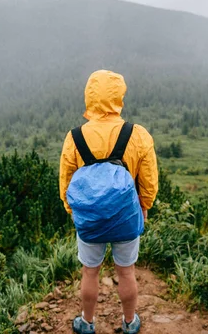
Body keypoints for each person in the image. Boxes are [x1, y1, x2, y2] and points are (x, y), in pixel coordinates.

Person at [59, 70, 158, 334]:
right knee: (126, 272)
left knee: (90, 273)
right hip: (126, 216)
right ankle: (129, 323)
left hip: (89, 219)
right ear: (119, 97)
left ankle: (87, 323)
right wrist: (144, 206)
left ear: (88, 96)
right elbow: (148, 182)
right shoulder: (137, 135)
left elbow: (66, 182)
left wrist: (73, 211)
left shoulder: (75, 137)